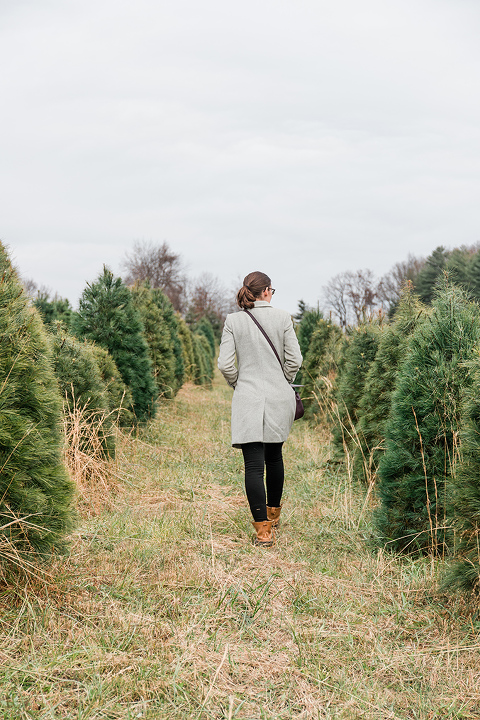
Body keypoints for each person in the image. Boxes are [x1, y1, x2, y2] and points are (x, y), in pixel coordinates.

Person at [217, 271, 303, 547]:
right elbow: (295, 359)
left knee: (253, 466)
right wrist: (283, 380)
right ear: (266, 290)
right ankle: (274, 517)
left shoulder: (234, 321)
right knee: (275, 457)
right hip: (278, 396)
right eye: (271, 290)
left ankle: (263, 533)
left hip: (248, 397)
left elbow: (225, 365)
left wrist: (239, 384)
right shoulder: (282, 318)